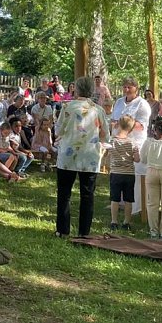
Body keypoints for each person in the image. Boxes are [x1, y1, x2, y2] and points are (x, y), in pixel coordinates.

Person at [54, 76, 110, 238]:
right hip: (90, 156)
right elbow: (105, 135)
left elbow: (58, 131)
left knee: (64, 194)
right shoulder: (98, 110)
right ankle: (84, 232)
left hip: (68, 156)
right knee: (87, 195)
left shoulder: (68, 107)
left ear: (76, 89)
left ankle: (63, 230)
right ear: (91, 90)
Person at [111, 76, 152, 216]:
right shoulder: (119, 102)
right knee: (118, 173)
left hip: (135, 143)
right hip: (119, 142)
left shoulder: (142, 104)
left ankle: (135, 206)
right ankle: (118, 202)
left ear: (136, 88)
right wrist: (114, 124)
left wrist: (125, 124)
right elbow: (112, 118)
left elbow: (142, 126)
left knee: (134, 175)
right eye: (125, 87)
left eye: (130, 87)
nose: (127, 90)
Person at [108, 116, 140, 232]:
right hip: (129, 174)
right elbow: (137, 159)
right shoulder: (132, 142)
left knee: (114, 199)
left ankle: (114, 221)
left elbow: (108, 154)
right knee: (128, 199)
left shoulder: (113, 141)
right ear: (131, 129)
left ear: (118, 125)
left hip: (116, 173)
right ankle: (126, 221)